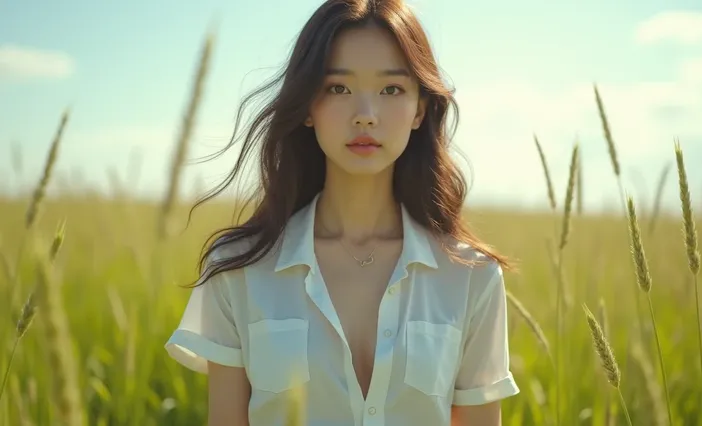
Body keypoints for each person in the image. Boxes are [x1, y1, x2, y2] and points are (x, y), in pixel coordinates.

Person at [165, 0, 520, 424]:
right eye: (338, 88)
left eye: (391, 90)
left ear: (419, 109)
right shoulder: (239, 270)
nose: (365, 116)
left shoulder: (471, 277)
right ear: (308, 106)